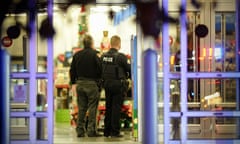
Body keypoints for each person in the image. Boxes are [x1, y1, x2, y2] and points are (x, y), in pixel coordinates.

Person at [69, 34, 102, 137]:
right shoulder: (95, 55)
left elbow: (72, 70)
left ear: (83, 44)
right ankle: (91, 130)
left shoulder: (77, 55)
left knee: (82, 108)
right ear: (92, 43)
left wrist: (73, 82)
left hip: (80, 84)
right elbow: (100, 69)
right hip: (92, 84)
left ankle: (80, 130)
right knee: (93, 108)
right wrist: (100, 83)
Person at [101, 35, 131, 137]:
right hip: (118, 85)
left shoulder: (103, 56)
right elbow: (129, 69)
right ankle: (115, 132)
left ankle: (107, 131)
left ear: (110, 44)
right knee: (116, 108)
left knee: (108, 107)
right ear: (119, 44)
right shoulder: (121, 57)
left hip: (107, 85)